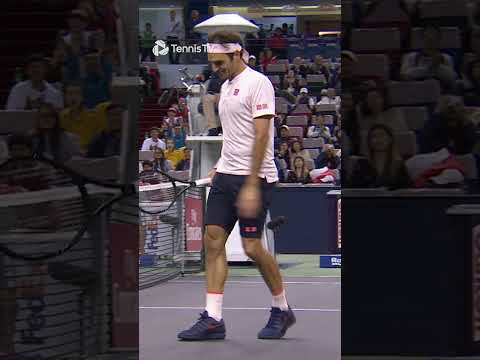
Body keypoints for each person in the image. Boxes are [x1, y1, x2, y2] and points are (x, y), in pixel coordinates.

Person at [177, 30, 296, 342]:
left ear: (237, 54)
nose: (216, 69)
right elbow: (235, 134)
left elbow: (260, 136)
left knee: (252, 247)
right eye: (212, 63)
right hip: (226, 174)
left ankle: (281, 309)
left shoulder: (259, 84)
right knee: (213, 240)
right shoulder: (226, 86)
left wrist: (252, 186)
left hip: (255, 177)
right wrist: (222, 163)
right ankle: (213, 318)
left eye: (220, 62)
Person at [347, 124, 411, 189]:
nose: (378, 139)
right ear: (369, 142)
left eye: (382, 135)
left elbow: (407, 190)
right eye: (374, 137)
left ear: (390, 139)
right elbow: (353, 189)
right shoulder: (361, 164)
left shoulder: (399, 165)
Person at [400, 25, 457, 91]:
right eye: (427, 38)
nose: (430, 42)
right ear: (421, 39)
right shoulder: (410, 57)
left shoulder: (446, 58)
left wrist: (438, 66)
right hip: (415, 93)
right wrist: (429, 68)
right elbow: (404, 76)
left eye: (433, 38)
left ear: (439, 40)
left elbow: (452, 78)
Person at [60, 83, 107, 153]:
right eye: (70, 94)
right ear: (65, 97)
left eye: (77, 93)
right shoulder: (61, 117)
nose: (73, 97)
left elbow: (99, 142)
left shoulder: (94, 116)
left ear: (82, 97)